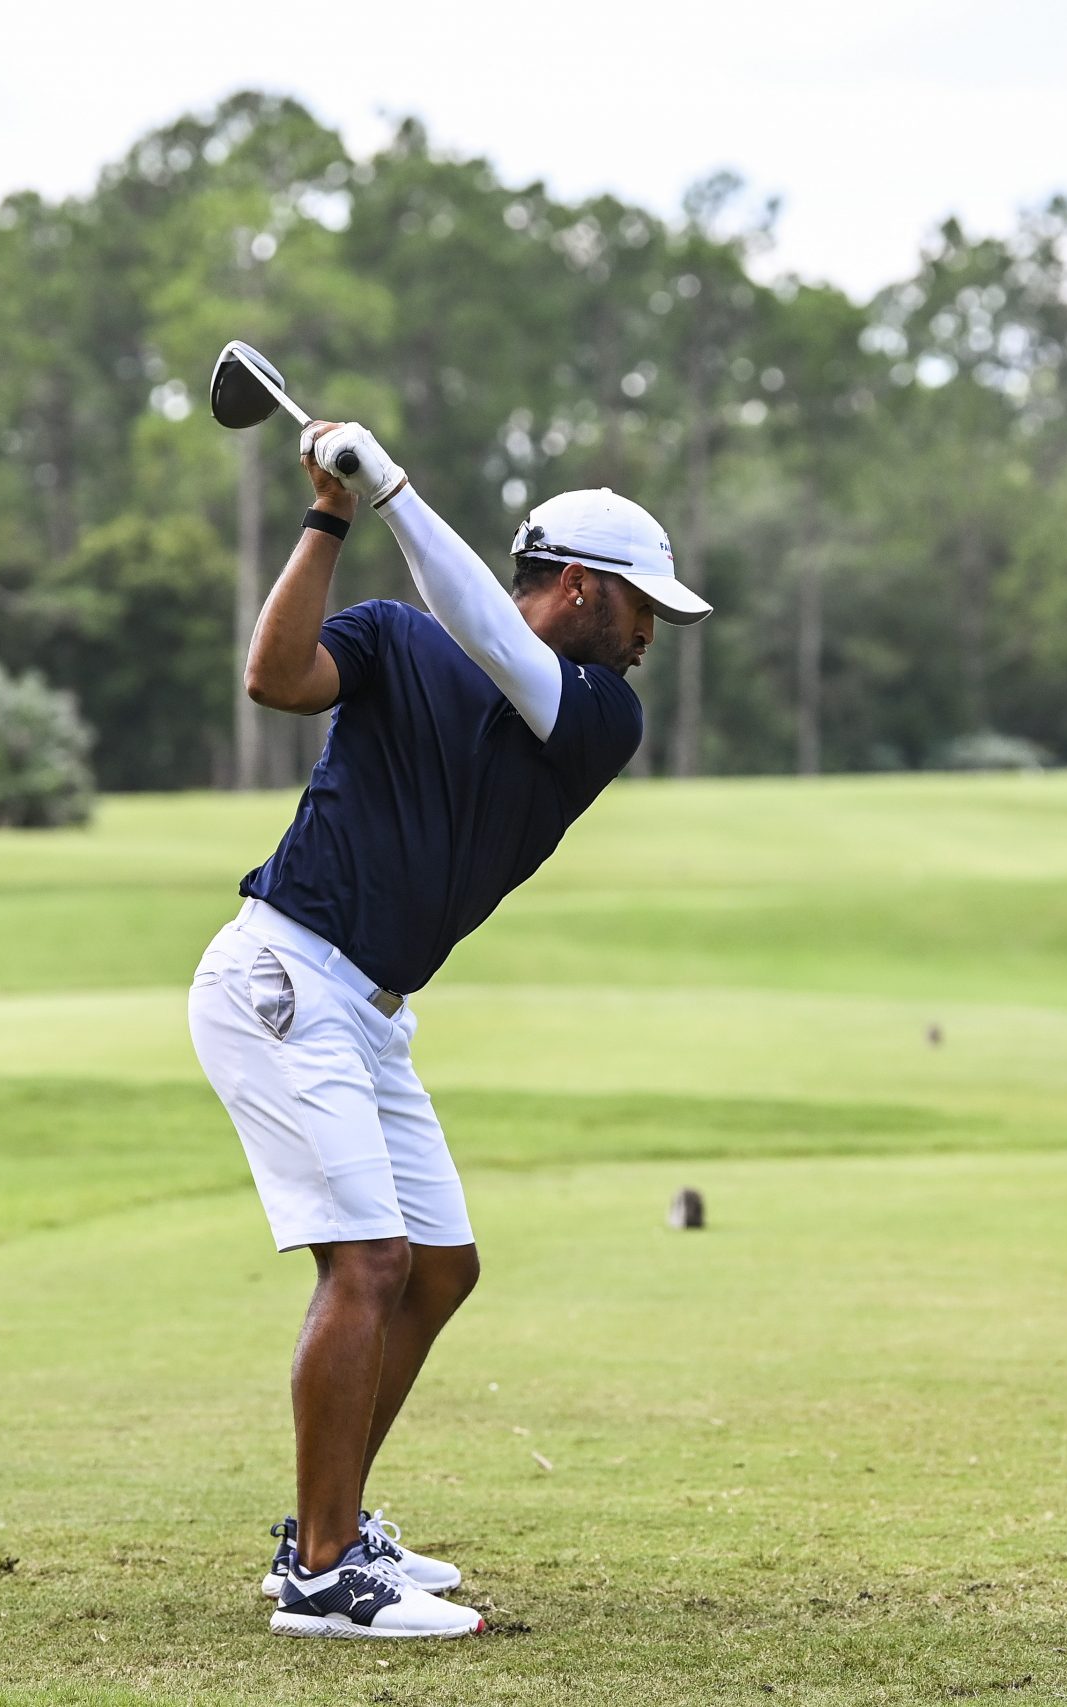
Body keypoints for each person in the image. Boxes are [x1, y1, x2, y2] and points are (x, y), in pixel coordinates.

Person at [188, 417, 710, 1640]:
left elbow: (490, 636)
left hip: (371, 1014)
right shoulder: (391, 639)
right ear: (580, 588)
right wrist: (331, 513)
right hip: (282, 976)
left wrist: (398, 492)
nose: (648, 639)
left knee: (440, 1268)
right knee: (367, 1262)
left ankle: (326, 1527)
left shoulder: (595, 715)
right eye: (640, 609)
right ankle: (321, 1576)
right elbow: (274, 679)